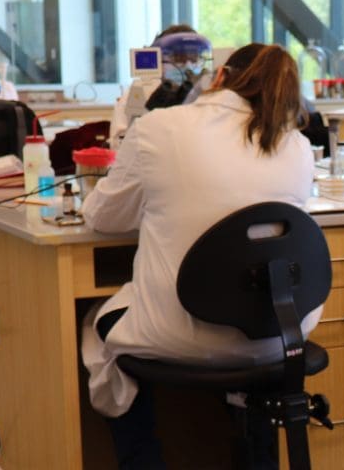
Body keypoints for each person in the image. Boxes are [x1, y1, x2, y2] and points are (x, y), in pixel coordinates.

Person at [80, 45, 319, 467]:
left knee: (96, 327)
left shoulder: (160, 127)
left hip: (180, 333)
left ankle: (143, 460)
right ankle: (255, 454)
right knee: (245, 356)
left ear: (220, 76)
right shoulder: (296, 146)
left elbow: (103, 217)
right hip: (278, 335)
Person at [110, 27, 213, 143]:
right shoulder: (140, 90)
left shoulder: (206, 94)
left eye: (194, 59)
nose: (188, 65)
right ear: (158, 58)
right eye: (179, 58)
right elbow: (119, 144)